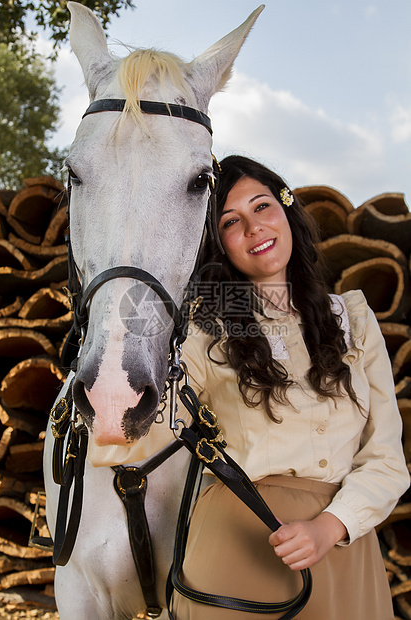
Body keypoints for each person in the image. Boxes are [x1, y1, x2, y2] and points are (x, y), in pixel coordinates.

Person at [170, 155, 410, 619]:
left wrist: (329, 527)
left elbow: (386, 457)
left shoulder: (354, 320)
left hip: (343, 553)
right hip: (236, 548)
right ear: (218, 245)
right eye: (230, 222)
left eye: (262, 207)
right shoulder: (203, 331)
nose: (254, 228)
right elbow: (151, 420)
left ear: (287, 210)